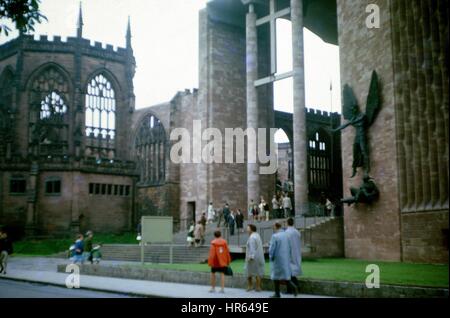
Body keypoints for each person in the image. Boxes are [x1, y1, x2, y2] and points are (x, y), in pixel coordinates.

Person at [268, 222, 298, 298]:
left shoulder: (275, 236)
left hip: (277, 259)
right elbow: (290, 247)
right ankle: (293, 286)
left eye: (273, 226)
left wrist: (271, 257)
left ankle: (277, 293)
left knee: (276, 277)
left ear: (275, 226)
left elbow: (272, 248)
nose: (273, 228)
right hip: (286, 258)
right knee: (285, 275)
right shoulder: (286, 235)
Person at [244, 224, 265, 292]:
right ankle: (258, 287)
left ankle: (250, 286)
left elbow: (252, 248)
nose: (247, 229)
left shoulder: (252, 237)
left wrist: (251, 257)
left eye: (248, 228)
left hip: (252, 258)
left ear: (251, 229)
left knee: (248, 271)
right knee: (258, 272)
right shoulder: (257, 235)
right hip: (259, 256)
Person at [285, 218, 303, 294]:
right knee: (292, 271)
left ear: (287, 223)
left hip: (289, 253)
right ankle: (295, 287)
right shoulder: (296, 232)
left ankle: (291, 289)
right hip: (296, 251)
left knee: (288, 272)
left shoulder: (286, 232)